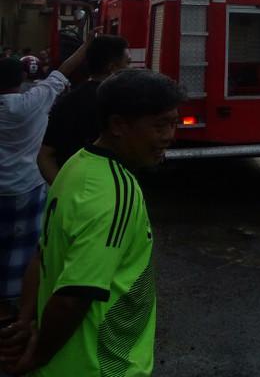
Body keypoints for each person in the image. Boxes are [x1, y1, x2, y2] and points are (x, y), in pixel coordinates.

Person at [0, 69, 183, 376]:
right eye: (159, 125)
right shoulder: (114, 192)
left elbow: (42, 253)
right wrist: (35, 358)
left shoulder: (76, 165)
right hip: (100, 366)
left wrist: (26, 319)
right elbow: (75, 296)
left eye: (173, 123)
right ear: (118, 126)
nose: (168, 136)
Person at [0, 30, 94, 323]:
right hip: (28, 188)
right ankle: (17, 308)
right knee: (29, 248)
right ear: (21, 79)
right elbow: (63, 70)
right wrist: (88, 45)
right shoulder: (37, 100)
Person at [38, 36, 130, 185]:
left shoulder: (67, 102)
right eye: (127, 63)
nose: (130, 69)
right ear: (112, 67)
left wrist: (62, 190)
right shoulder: (125, 104)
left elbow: (44, 155)